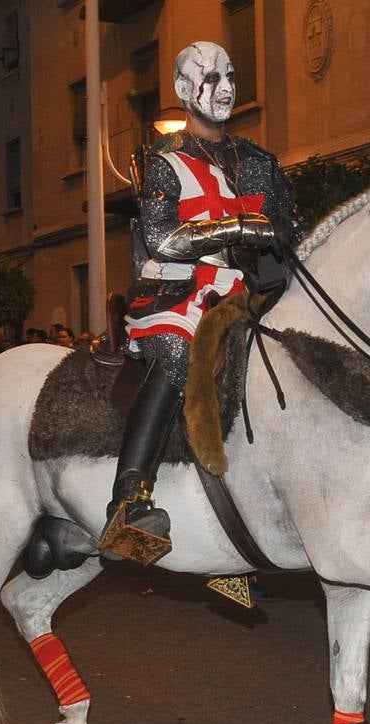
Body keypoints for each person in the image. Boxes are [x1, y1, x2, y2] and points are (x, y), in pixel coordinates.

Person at [103, 40, 299, 560]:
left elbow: (288, 226)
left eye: (231, 75)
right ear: (184, 90)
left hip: (250, 289)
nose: (226, 87)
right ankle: (128, 499)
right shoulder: (165, 161)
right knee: (178, 351)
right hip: (180, 286)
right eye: (211, 78)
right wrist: (245, 224)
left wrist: (278, 231)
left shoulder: (260, 162)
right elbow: (164, 238)